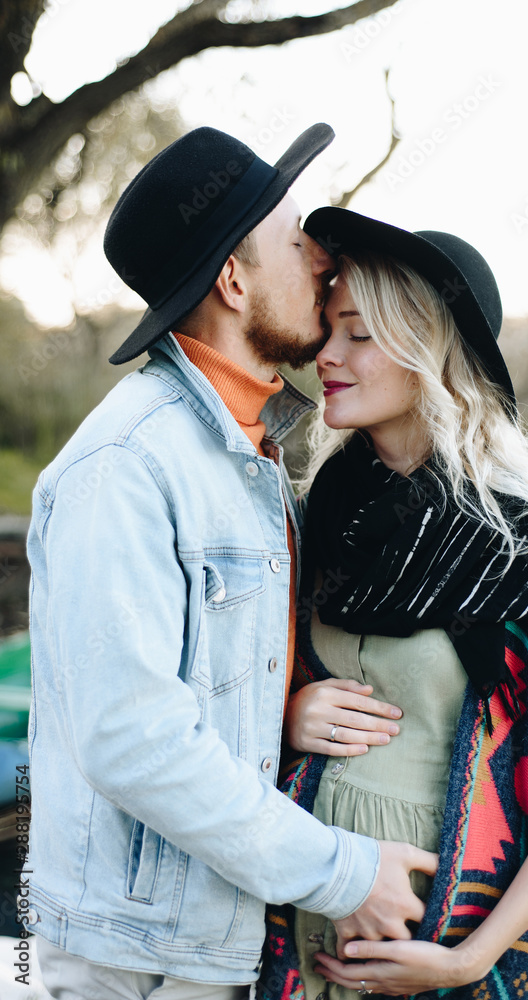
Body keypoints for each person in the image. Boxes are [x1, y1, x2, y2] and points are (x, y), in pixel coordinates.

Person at [25, 129, 436, 1000]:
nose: (323, 259)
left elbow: (192, 674)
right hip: (129, 963)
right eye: (296, 240)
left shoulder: (250, 450)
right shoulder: (127, 466)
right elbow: (133, 738)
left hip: (207, 937)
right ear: (234, 279)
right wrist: (346, 873)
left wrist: (281, 707)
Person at [258, 207, 528, 1000]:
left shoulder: (524, 539)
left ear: (428, 356)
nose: (325, 356)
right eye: (327, 328)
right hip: (315, 931)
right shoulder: (326, 512)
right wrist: (291, 707)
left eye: (358, 334)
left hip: (464, 955)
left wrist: (467, 958)